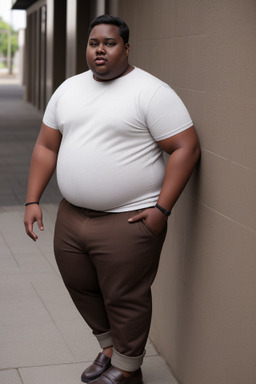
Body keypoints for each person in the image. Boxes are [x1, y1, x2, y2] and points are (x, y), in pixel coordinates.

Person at [24, 14, 200, 384]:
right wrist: (32, 199)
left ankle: (128, 369)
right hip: (72, 216)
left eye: (109, 42)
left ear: (126, 48)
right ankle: (109, 350)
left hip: (129, 219)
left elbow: (186, 148)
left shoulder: (150, 92)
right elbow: (45, 146)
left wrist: (161, 210)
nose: (99, 49)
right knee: (80, 285)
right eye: (93, 43)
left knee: (125, 296)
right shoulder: (68, 90)